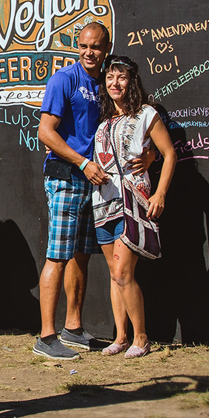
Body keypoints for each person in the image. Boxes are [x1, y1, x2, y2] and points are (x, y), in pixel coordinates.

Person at [34, 23, 154, 361]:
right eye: (84, 46)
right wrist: (82, 163)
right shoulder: (64, 79)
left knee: (80, 255)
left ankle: (73, 327)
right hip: (66, 176)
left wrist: (151, 153)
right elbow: (46, 132)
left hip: (95, 183)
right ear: (77, 46)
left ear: (107, 48)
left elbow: (140, 120)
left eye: (97, 47)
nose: (90, 52)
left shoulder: (105, 82)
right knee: (58, 254)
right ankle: (46, 335)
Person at [93, 55, 176, 358]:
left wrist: (161, 193)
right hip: (102, 201)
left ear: (132, 81)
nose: (115, 83)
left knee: (125, 272)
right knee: (114, 273)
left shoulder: (146, 114)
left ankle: (141, 338)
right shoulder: (103, 121)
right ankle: (120, 336)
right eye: (110, 77)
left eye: (122, 77)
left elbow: (169, 154)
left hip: (133, 201)